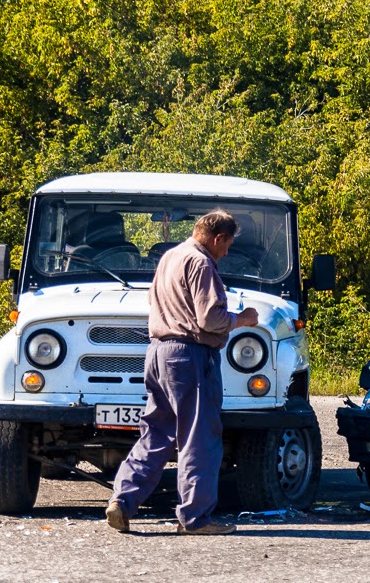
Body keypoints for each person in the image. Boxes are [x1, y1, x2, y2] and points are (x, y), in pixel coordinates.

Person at [105, 210, 259, 535]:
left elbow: (154, 300)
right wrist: (242, 319)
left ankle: (122, 500)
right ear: (218, 238)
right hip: (191, 356)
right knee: (198, 438)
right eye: (228, 245)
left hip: (158, 353)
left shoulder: (170, 256)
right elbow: (210, 320)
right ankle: (195, 518)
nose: (227, 252)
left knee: (157, 433)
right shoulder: (201, 262)